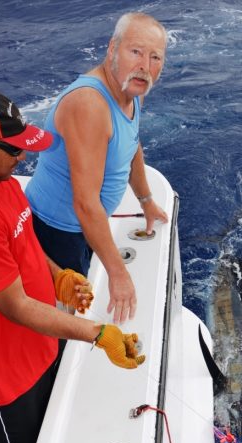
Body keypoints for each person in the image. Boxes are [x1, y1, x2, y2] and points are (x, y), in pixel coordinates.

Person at [0, 87, 144, 443]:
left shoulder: (3, 182)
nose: (23, 159)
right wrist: (98, 334)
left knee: (54, 438)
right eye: (13, 150)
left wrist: (58, 275)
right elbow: (14, 306)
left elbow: (26, 242)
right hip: (5, 379)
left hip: (39, 350)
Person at [25, 12, 169, 325]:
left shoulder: (131, 90)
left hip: (83, 228)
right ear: (112, 48)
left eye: (155, 56)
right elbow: (85, 203)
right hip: (58, 232)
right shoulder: (89, 104)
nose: (145, 64)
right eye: (136, 52)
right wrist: (118, 275)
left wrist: (145, 200)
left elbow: (131, 145)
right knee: (63, 315)